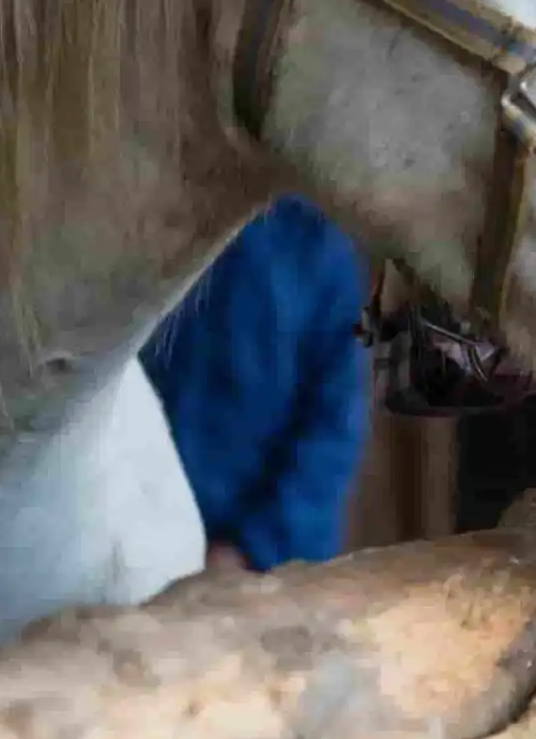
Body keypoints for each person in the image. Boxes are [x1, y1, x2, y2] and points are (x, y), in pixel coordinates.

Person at [140, 195, 372, 572]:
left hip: (260, 570)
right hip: (137, 544)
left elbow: (333, 429)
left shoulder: (319, 251)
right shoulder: (160, 226)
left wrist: (250, 550)